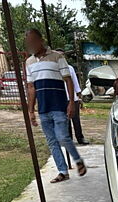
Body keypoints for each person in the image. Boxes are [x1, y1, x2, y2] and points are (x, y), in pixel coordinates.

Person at [25, 28, 87, 183]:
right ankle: (62, 171)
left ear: (41, 40)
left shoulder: (57, 57)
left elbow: (68, 80)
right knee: (52, 141)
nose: (31, 44)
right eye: (28, 41)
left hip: (59, 105)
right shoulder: (29, 62)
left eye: (33, 40)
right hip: (43, 108)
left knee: (62, 137)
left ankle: (78, 160)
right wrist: (31, 110)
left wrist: (71, 102)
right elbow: (31, 87)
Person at [54, 49, 88, 145]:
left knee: (76, 119)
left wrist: (78, 93)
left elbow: (75, 82)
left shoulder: (70, 68)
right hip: (61, 99)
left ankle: (80, 138)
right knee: (65, 121)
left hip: (73, 99)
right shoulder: (54, 70)